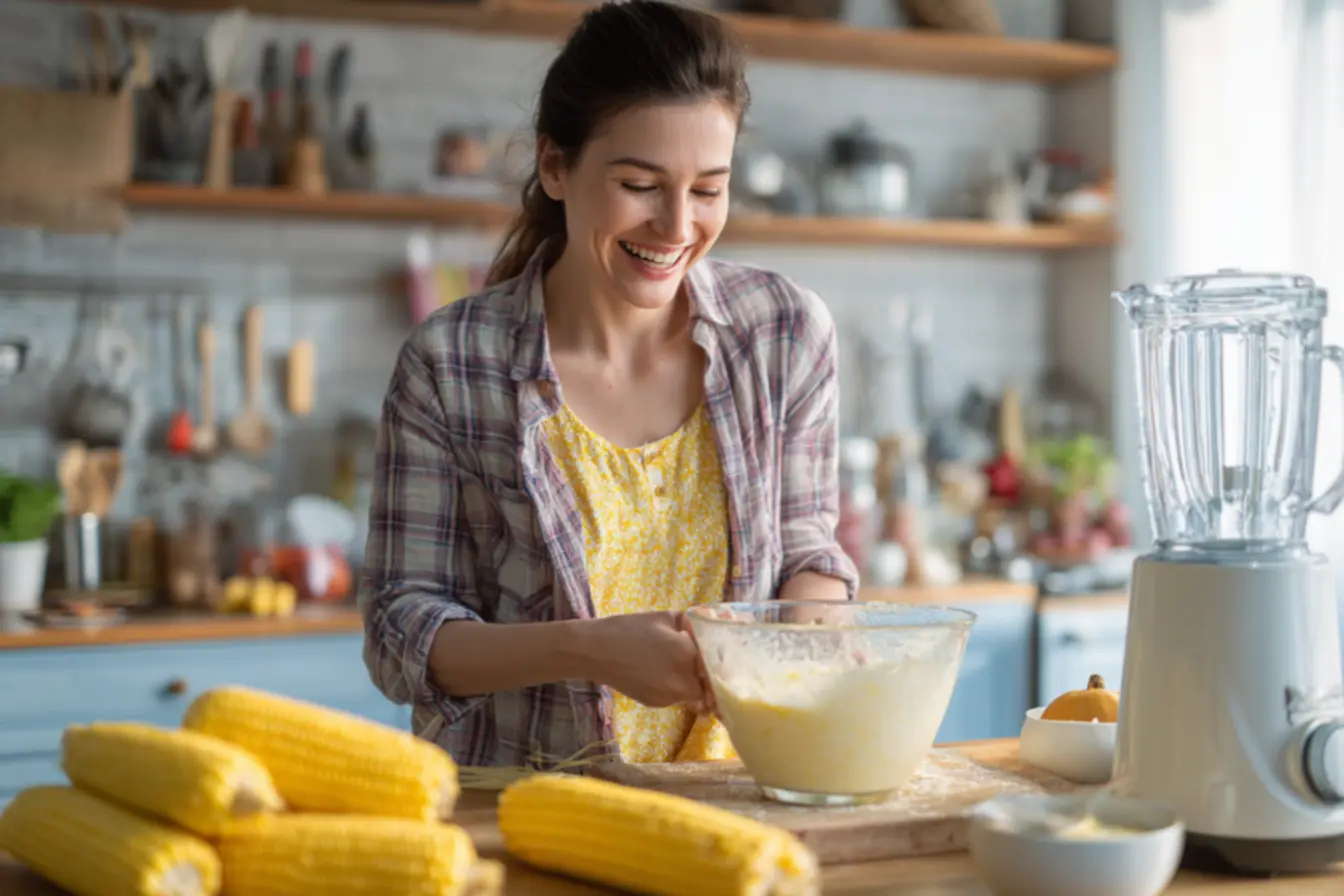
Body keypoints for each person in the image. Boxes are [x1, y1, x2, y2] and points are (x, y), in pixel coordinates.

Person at [358, 0, 858, 769]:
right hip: (525, 806)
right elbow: (401, 634)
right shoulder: (450, 363)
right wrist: (589, 649)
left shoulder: (784, 333)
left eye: (708, 190)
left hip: (742, 800)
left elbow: (808, 552)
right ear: (555, 166)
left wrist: (805, 636)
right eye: (640, 184)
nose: (677, 227)